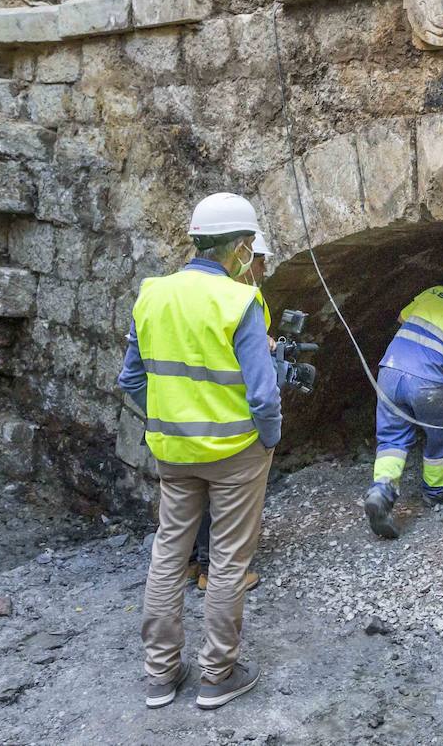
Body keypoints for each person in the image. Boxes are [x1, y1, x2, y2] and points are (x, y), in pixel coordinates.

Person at [118, 194, 282, 711]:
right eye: (248, 248)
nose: (248, 255)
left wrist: (167, 418)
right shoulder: (241, 303)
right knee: (230, 560)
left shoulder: (151, 295)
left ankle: (160, 676)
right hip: (236, 452)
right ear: (238, 247)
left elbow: (131, 378)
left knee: (168, 554)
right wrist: (270, 436)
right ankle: (218, 675)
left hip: (173, 451)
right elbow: (262, 393)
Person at [362, 265, 443, 539]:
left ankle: (381, 491)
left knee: (392, 439)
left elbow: (401, 317)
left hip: (390, 372)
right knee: (440, 435)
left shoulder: (432, 291)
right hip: (428, 383)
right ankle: (436, 491)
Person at [191, 230, 272, 592]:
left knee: (190, 498)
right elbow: (259, 385)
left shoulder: (175, 293)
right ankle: (215, 572)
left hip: (176, 417)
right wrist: (269, 432)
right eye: (261, 260)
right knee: (222, 496)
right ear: (243, 255)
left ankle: (192, 563)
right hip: (221, 417)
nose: (264, 268)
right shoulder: (240, 299)